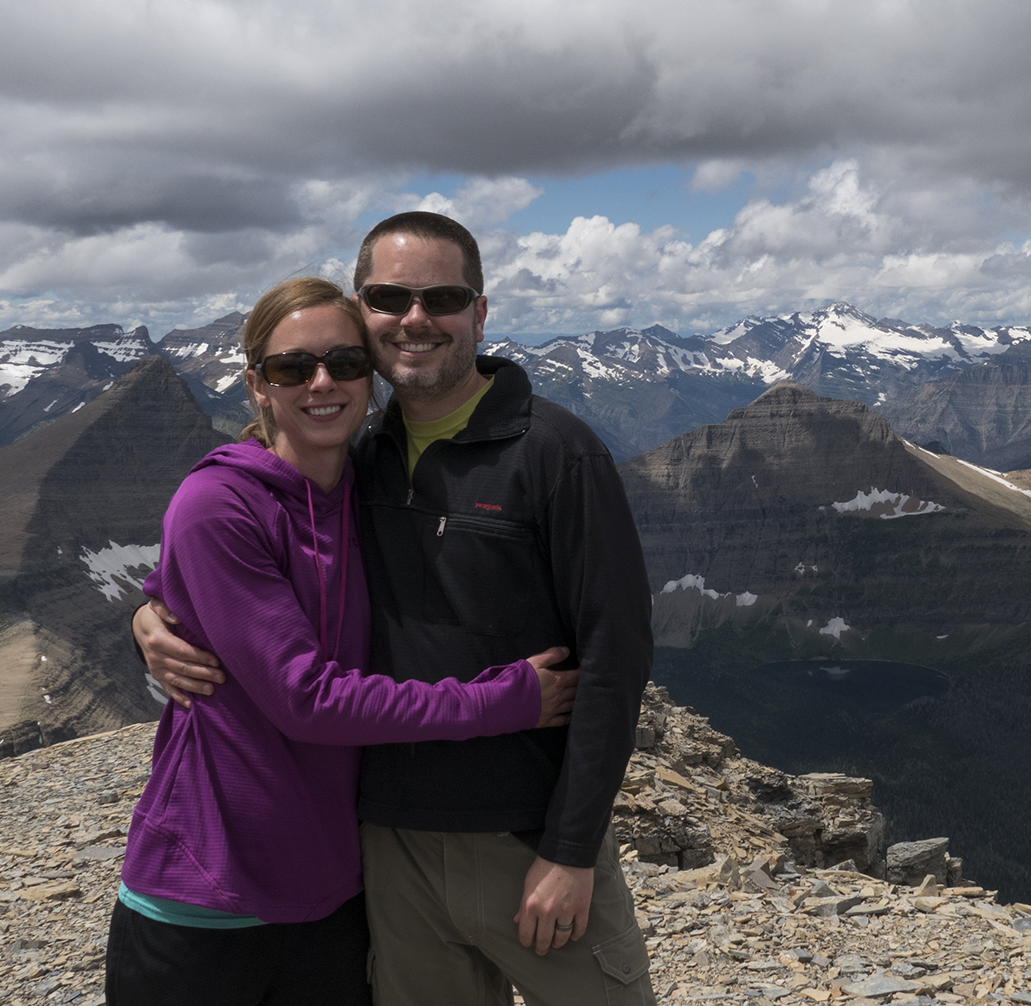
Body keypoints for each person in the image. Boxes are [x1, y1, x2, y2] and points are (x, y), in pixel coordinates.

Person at [136, 212, 656, 1006]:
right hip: (386, 851)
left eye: (442, 297)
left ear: (479, 313)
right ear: (368, 312)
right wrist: (148, 619)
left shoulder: (556, 454)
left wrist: (572, 849)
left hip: (526, 842)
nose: (416, 319)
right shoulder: (358, 459)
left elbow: (615, 657)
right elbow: (235, 580)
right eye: (390, 298)